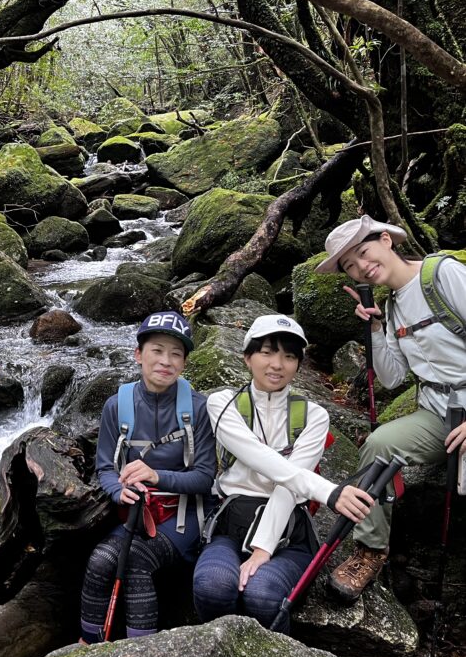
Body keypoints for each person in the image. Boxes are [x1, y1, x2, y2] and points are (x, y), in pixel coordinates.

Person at [316, 214, 466, 601]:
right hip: (439, 414)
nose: (362, 267)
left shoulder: (442, 275)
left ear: (386, 240)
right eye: (350, 266)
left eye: (364, 253)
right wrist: (376, 330)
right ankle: (371, 550)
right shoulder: (393, 306)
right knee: (380, 445)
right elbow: (393, 378)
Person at [192, 314, 372, 633]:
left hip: (290, 536)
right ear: (247, 358)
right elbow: (264, 460)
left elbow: (288, 483)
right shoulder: (223, 403)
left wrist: (264, 548)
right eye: (267, 352)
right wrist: (329, 492)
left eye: (289, 356)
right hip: (230, 527)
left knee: (263, 595)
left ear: (298, 365)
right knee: (213, 586)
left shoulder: (314, 416)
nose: (277, 364)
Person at [80, 311, 216, 643]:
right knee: (100, 561)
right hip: (136, 512)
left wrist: (156, 475)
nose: (166, 361)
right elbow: (105, 467)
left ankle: (141, 654)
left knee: (136, 561)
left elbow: (204, 478)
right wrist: (116, 491)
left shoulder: (198, 409)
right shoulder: (118, 405)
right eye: (157, 350)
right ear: (139, 354)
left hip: (184, 517)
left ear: (184, 363)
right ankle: (86, 648)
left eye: (176, 353)